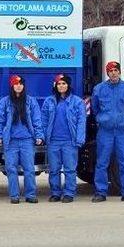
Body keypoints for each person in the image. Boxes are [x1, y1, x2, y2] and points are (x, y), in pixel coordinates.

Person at [91, 61, 124, 203]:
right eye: (110, 70)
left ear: (119, 72)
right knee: (102, 162)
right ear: (107, 73)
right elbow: (95, 108)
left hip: (122, 132)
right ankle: (100, 192)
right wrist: (103, 120)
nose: (113, 73)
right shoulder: (99, 89)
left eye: (116, 70)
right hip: (105, 131)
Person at [0, 74, 44, 204]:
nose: (18, 86)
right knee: (11, 169)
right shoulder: (4, 102)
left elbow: (37, 119)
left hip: (27, 140)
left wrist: (39, 135)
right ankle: (14, 196)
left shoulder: (30, 101)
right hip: (11, 141)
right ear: (12, 86)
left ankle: (31, 195)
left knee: (29, 169)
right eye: (16, 83)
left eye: (21, 83)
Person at [41, 74, 86, 203]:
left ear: (68, 85)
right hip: (53, 142)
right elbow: (43, 120)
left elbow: (81, 122)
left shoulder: (77, 102)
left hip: (69, 142)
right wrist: (44, 136)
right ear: (55, 86)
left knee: (70, 169)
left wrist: (79, 139)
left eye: (64, 83)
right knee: (54, 169)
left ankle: (69, 193)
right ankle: (55, 193)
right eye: (59, 84)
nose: (61, 86)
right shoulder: (49, 101)